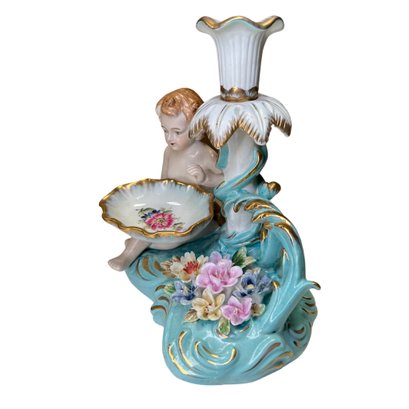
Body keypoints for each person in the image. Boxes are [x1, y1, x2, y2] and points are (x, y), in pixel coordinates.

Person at [108, 88, 224, 271]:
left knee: (167, 242)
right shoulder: (169, 152)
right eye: (165, 130)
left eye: (177, 132)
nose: (170, 138)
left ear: (197, 129)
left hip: (201, 216)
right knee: (151, 225)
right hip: (174, 209)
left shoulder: (204, 154)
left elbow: (225, 180)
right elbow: (163, 182)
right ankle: (129, 253)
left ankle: (134, 248)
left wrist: (205, 177)